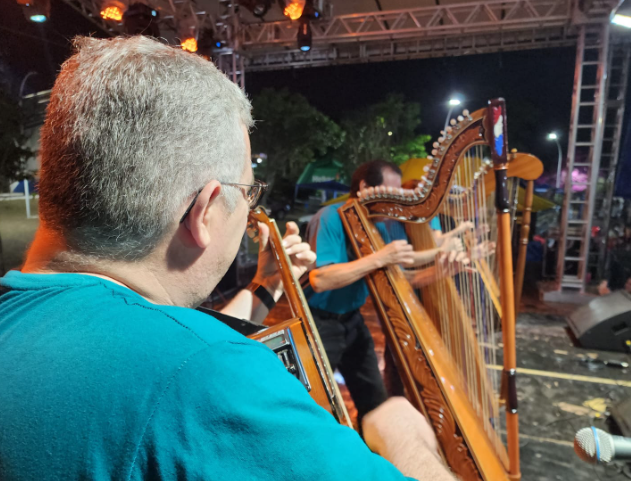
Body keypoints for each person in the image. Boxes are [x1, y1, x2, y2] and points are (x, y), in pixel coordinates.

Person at [0, 36, 455, 481]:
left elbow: (157, 332)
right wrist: (401, 433)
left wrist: (265, 285)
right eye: (248, 192)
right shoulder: (209, 373)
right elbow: (186, 362)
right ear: (205, 210)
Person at [306, 160, 464, 421]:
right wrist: (380, 258)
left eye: (396, 192)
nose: (393, 199)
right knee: (315, 405)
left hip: (353, 321)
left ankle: (372, 455)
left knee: (375, 403)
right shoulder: (330, 216)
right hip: (318, 324)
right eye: (389, 191)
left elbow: (401, 271)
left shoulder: (378, 224)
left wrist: (442, 267)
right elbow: (321, 279)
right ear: (365, 187)